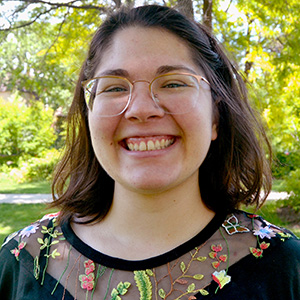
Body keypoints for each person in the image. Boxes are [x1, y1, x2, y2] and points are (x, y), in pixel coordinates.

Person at [0, 4, 299, 300]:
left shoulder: (285, 267)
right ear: (88, 114)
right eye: (115, 88)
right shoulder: (22, 261)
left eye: (172, 83)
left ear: (215, 117)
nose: (141, 109)